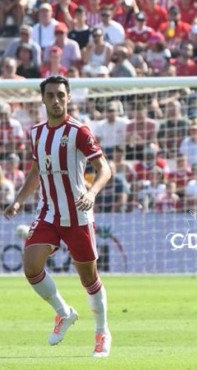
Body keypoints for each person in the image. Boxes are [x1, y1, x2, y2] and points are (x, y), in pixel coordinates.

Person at [3, 76, 112, 357]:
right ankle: (63, 313)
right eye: (50, 95)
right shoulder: (36, 133)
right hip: (48, 212)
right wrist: (18, 200)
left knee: (89, 279)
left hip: (77, 214)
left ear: (68, 98)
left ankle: (102, 333)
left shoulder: (79, 131)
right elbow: (37, 170)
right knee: (31, 266)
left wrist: (92, 194)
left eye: (60, 95)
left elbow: (105, 169)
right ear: (42, 99)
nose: (55, 100)